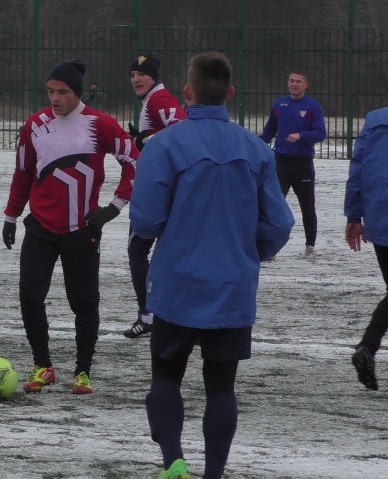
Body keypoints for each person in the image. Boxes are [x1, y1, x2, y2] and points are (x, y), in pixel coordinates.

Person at [130, 52, 293, 479]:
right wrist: (246, 253)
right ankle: (214, 473)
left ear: (187, 94)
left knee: (165, 378)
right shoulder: (255, 149)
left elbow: (146, 219)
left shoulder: (165, 144)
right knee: (221, 386)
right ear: (231, 94)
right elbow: (279, 223)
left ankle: (173, 462)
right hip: (231, 286)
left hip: (178, 283)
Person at [2, 59, 138, 395]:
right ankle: (43, 366)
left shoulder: (100, 124)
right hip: (41, 229)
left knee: (84, 302)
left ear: (77, 93)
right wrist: (10, 216)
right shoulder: (34, 125)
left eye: (62, 91)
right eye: (50, 91)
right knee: (30, 295)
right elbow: (22, 174)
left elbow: (135, 162)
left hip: (82, 229)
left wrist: (114, 207)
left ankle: (83, 371)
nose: (55, 97)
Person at [123, 53, 186, 339]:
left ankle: (148, 314)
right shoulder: (153, 99)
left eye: (142, 74)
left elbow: (182, 129)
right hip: (164, 187)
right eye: (133, 74)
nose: (136, 78)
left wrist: (145, 140)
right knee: (167, 252)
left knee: (138, 250)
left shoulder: (159, 99)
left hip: (157, 190)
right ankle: (172, 315)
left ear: (154, 77)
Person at [260, 69, 326, 258]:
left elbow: (320, 133)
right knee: (273, 205)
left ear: (306, 85)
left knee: (307, 206)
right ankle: (268, 247)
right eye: (291, 81)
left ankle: (310, 246)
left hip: (302, 164)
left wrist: (301, 136)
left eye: (298, 81)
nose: (294, 84)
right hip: (280, 162)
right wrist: (254, 144)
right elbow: (268, 131)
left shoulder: (313, 106)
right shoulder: (280, 104)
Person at [345, 106, 388, 392]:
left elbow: (357, 168)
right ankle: (367, 347)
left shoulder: (374, 121)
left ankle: (368, 348)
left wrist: (353, 215)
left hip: (380, 215)